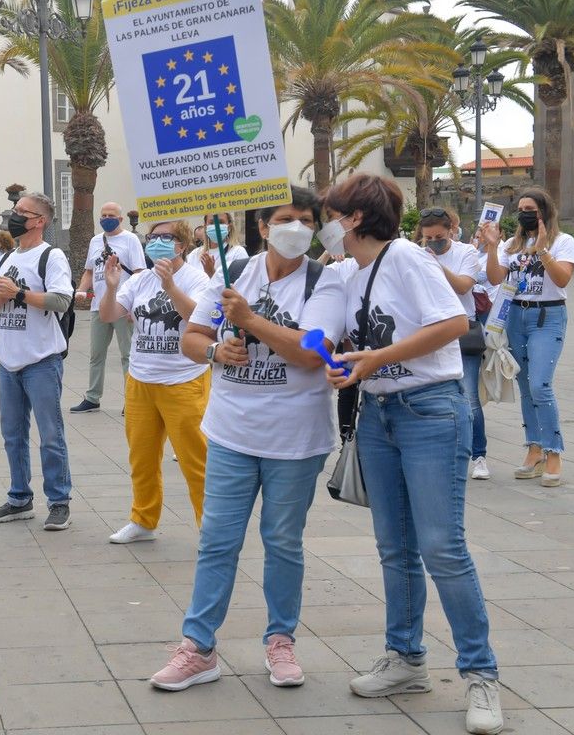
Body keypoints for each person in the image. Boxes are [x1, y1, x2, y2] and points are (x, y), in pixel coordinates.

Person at [319, 174, 502, 735]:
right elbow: (322, 334)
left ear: (352, 219)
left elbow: (454, 322)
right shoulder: (345, 272)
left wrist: (378, 358)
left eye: (331, 215)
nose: (325, 226)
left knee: (442, 546)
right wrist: (329, 355)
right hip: (378, 417)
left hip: (431, 411)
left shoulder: (407, 258)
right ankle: (406, 659)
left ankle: (482, 676)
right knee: (394, 547)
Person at [150, 189, 346, 691]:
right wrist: (218, 349)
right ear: (262, 227)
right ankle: (198, 646)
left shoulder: (326, 280)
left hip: (296, 440)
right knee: (218, 541)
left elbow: (313, 351)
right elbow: (190, 339)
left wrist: (251, 321)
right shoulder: (236, 276)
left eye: (306, 221)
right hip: (232, 433)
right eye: (285, 219)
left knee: (283, 542)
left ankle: (280, 640)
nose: (296, 228)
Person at [98, 219, 208, 543]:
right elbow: (108, 315)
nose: (156, 242)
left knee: (196, 461)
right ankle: (143, 520)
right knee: (142, 457)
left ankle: (211, 530)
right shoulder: (141, 279)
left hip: (184, 381)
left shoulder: (196, 279)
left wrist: (171, 286)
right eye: (152, 237)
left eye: (165, 237)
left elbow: (198, 319)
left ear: (181, 245)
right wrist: (111, 285)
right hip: (141, 380)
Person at [0, 192, 74, 531]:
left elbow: (62, 301)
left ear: (40, 221)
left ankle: (59, 500)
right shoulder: (7, 258)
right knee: (12, 434)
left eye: (23, 211)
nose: (14, 215)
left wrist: (18, 294)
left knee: (50, 434)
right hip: (8, 359)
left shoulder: (51, 256)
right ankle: (19, 498)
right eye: (14, 210)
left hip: (41, 360)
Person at [480, 188, 574, 487]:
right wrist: (494, 247)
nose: (525, 213)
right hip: (516, 317)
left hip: (547, 317)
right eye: (521, 208)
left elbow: (562, 279)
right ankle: (533, 447)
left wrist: (544, 250)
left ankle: (553, 450)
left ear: (545, 211)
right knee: (524, 385)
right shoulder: (513, 243)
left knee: (540, 385)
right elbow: (496, 279)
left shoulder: (563, 242)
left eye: (531, 209)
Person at [417, 207, 489, 480]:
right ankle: (442, 453)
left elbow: (462, 286)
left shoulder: (465, 252)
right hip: (431, 329)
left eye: (438, 235)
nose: (433, 241)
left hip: (462, 329)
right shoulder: (417, 253)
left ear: (450, 230)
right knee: (432, 394)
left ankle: (479, 454)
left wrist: (435, 264)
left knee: (468, 395)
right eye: (428, 237)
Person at [70, 203, 148, 414]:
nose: (106, 218)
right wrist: (81, 289)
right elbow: (88, 271)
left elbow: (140, 273)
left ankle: (131, 399)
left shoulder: (130, 240)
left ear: (120, 219)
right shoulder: (96, 240)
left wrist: (136, 304)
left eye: (111, 215)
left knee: (127, 355)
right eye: (103, 215)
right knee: (96, 354)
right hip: (99, 306)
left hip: (123, 305)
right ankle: (93, 397)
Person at [187, 213, 249, 284]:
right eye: (211, 223)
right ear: (205, 227)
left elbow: (241, 288)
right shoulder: (195, 254)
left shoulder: (237, 252)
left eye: (221, 222)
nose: (216, 226)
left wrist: (212, 273)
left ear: (229, 227)